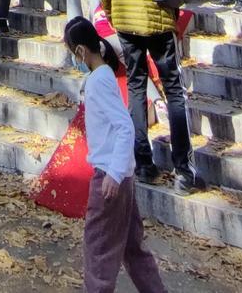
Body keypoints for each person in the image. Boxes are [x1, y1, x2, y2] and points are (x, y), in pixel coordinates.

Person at [98, 0, 197, 193]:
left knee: (137, 88)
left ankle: (144, 163)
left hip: (126, 22)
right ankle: (183, 168)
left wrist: (114, 16)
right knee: (174, 91)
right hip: (157, 19)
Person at [64, 17, 166, 293]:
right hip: (123, 175)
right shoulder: (104, 75)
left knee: (98, 250)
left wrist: (113, 172)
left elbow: (124, 126)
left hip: (109, 176)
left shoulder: (98, 82)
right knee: (133, 248)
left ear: (81, 52)